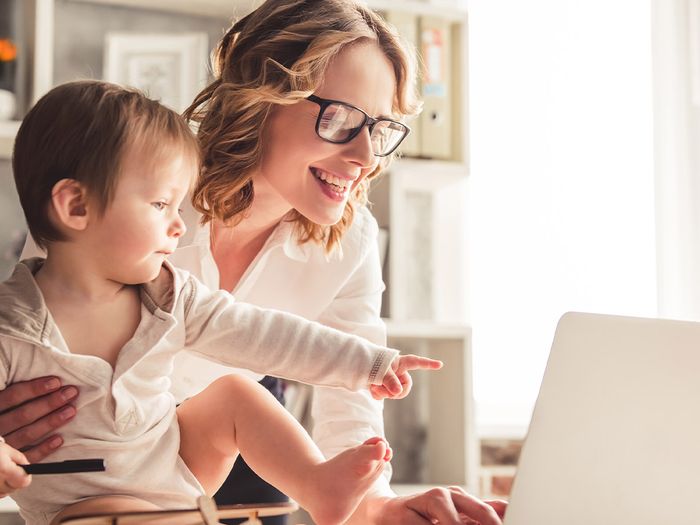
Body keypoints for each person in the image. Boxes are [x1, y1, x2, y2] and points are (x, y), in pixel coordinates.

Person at [5, 1, 507, 523]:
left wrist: (378, 506)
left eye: (379, 129)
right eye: (339, 119)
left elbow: (349, 402)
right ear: (261, 99)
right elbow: (40, 317)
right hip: (84, 472)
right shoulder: (136, 193)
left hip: (238, 460)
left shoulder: (350, 240)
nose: (365, 157)